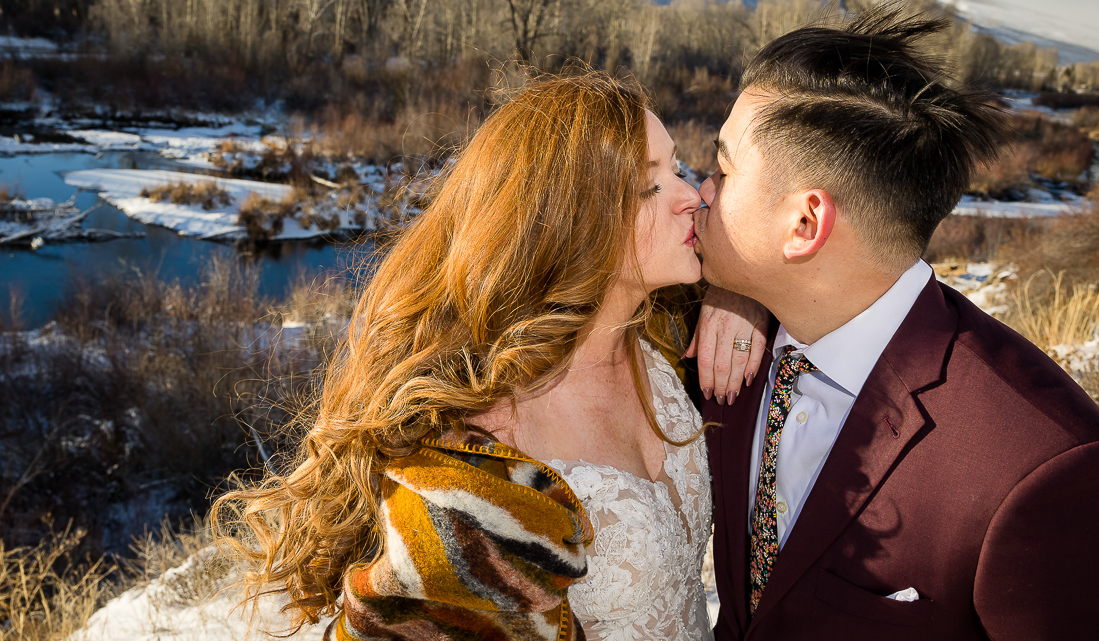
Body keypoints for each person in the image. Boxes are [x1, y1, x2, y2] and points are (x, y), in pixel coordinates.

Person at [216, 72, 758, 641]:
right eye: (649, 187)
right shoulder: (476, 441)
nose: (690, 195)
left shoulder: (673, 333)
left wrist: (740, 294)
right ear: (565, 220)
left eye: (676, 168)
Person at [692, 5, 1099, 640]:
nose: (699, 190)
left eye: (723, 170)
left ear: (804, 225)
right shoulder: (731, 342)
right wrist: (731, 291)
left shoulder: (1045, 473)